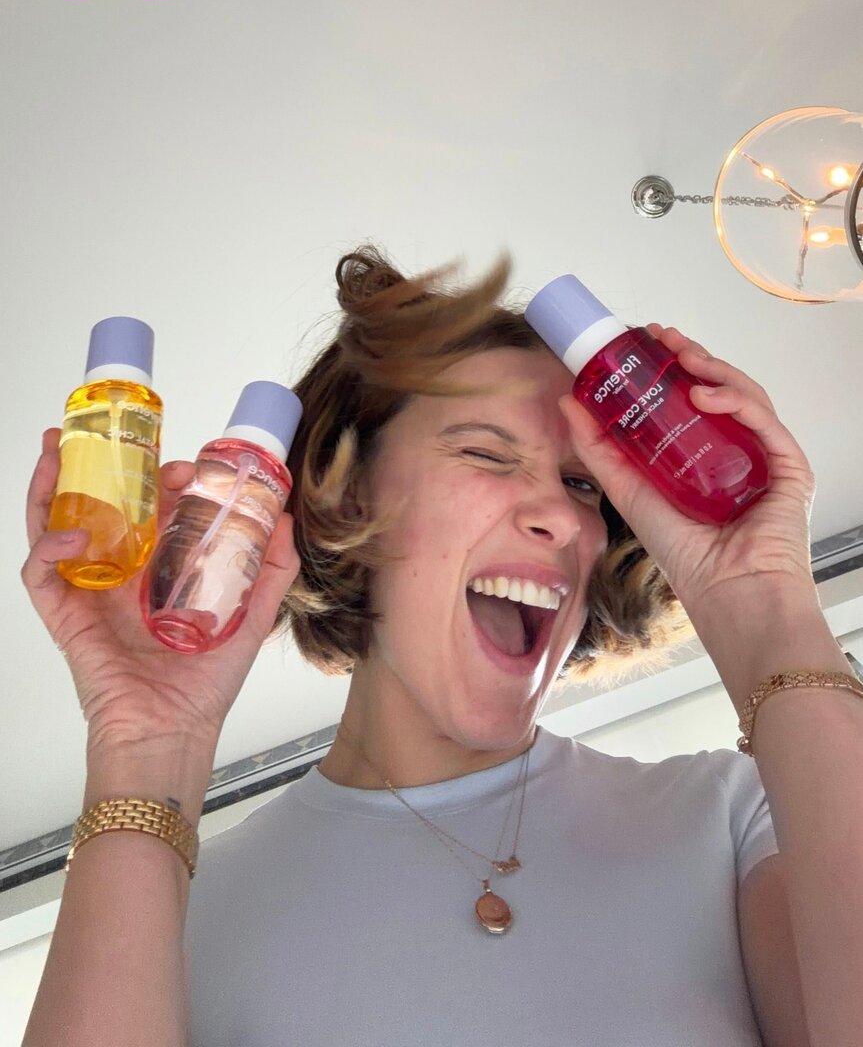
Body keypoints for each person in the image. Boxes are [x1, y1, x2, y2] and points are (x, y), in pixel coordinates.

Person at [21, 246, 863, 1046]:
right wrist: (147, 745)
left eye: (583, 486)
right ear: (344, 498)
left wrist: (762, 602)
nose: (564, 516)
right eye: (486, 454)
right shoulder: (167, 918)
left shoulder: (735, 821)